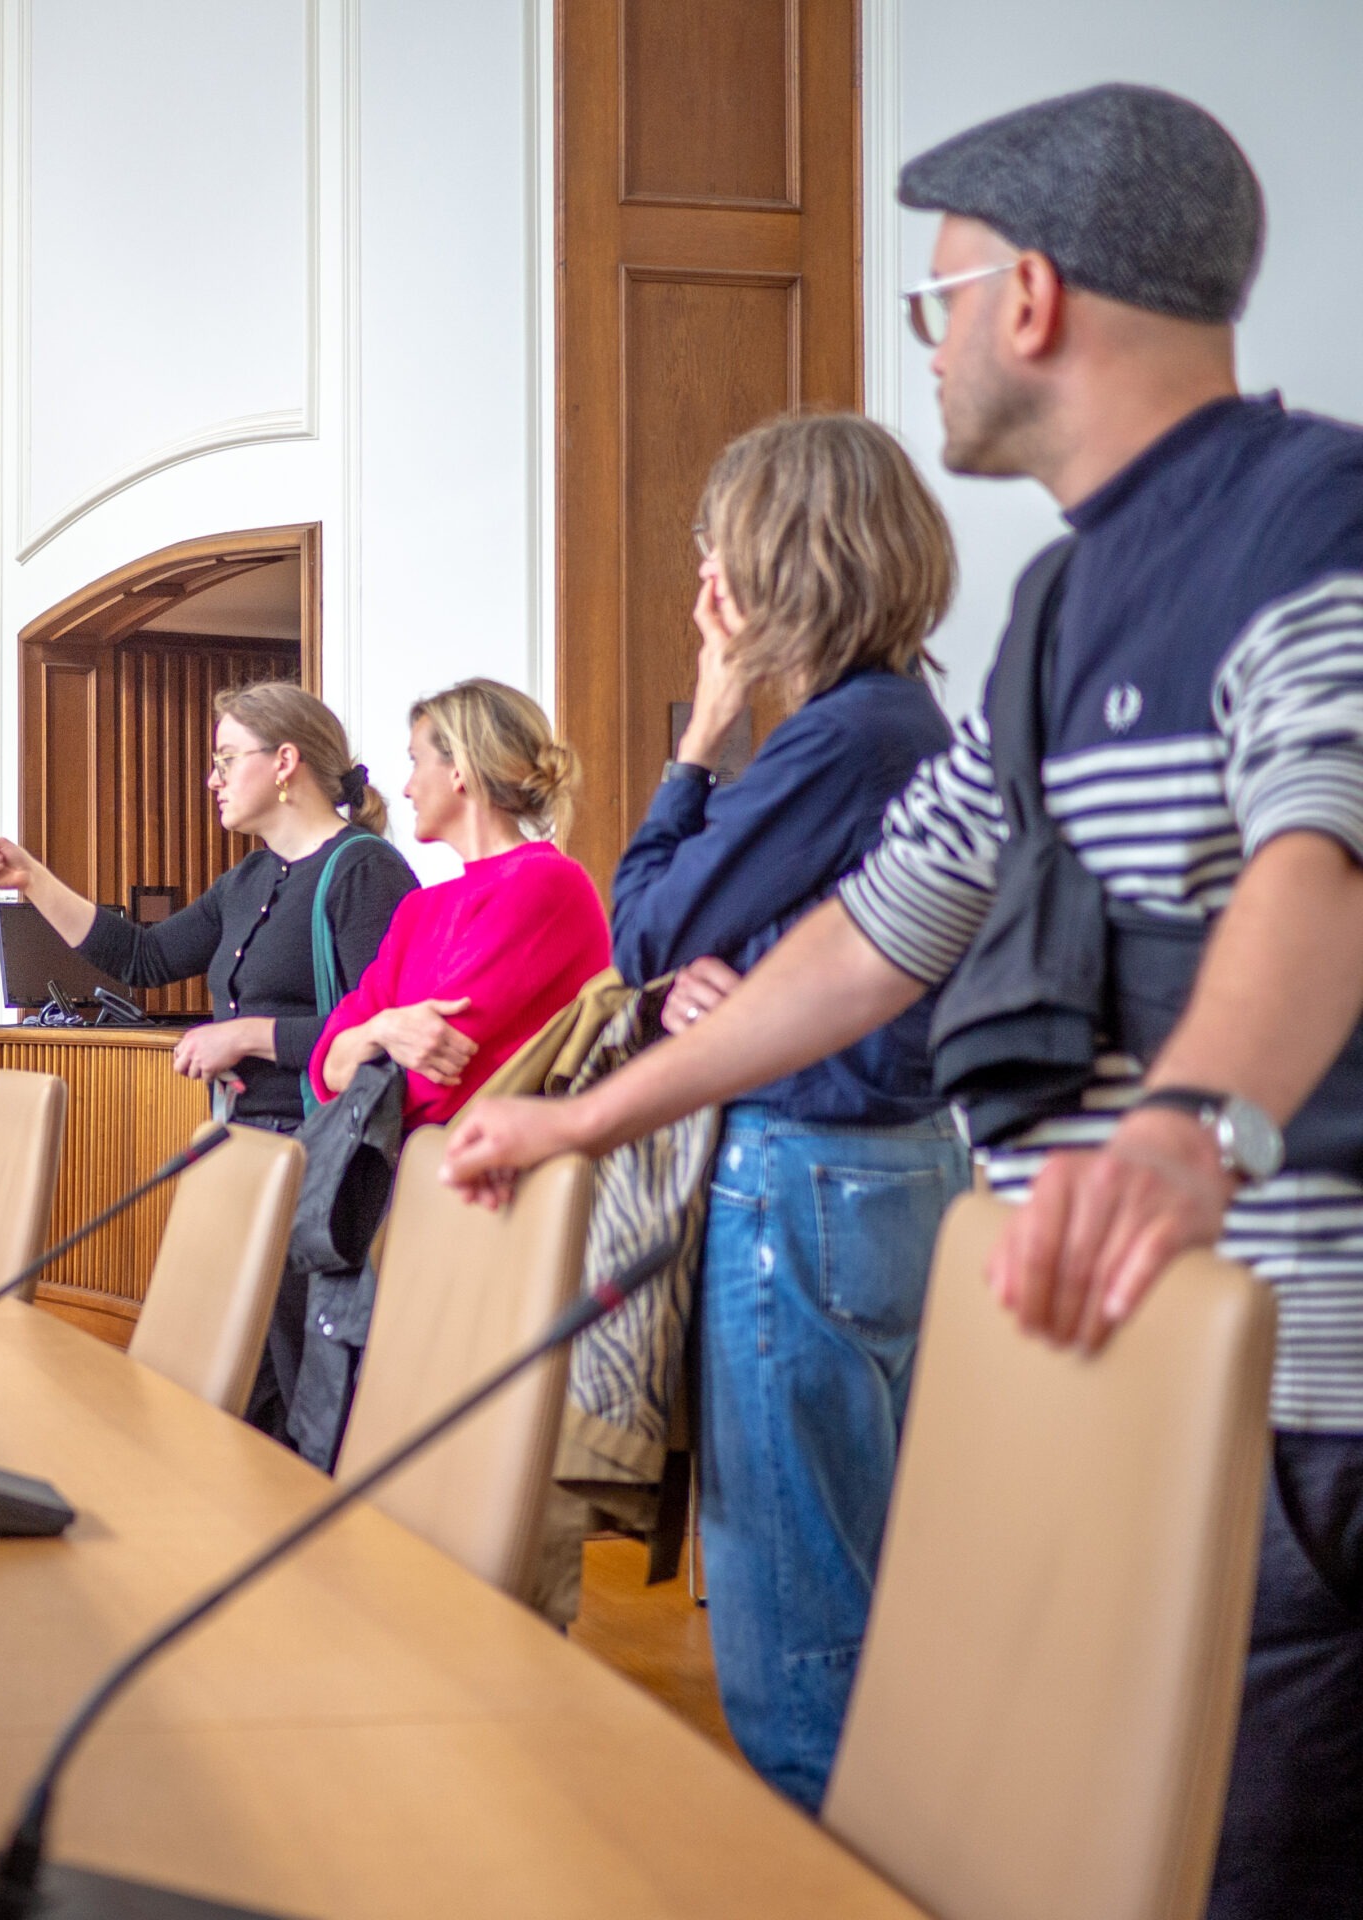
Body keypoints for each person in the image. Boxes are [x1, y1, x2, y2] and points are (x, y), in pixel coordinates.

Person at [443, 86, 1362, 1916]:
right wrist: (586, 1113)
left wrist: (1194, 1127)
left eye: (934, 300)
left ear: (1030, 299)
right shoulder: (1061, 610)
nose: (926, 350)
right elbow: (873, 936)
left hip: (1297, 1398)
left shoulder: (1310, 519)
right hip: (1110, 1370)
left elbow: (1320, 858)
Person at [605, 413, 968, 1809]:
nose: (705, 581)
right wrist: (718, 978)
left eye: (717, 552)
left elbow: (645, 922)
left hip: (811, 1180)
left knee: (799, 1657)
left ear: (773, 564)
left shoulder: (843, 735)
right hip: (890, 1174)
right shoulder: (893, 720)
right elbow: (686, 959)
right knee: (862, 1597)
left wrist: (700, 729)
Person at [0, 682, 416, 1135]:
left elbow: (385, 1029)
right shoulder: (249, 878)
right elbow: (142, 957)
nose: (213, 780)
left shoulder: (364, 871)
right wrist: (33, 879)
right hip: (247, 1136)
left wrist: (245, 1036)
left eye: (227, 760)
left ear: (284, 761)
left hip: (329, 1147)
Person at [311, 678, 606, 1128]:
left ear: (459, 770)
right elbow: (326, 1068)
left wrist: (365, 1045)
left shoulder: (545, 883)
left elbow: (438, 1082)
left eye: (415, 762)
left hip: (495, 1182)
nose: (406, 788)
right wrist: (384, 1030)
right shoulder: (418, 910)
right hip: (418, 1174)